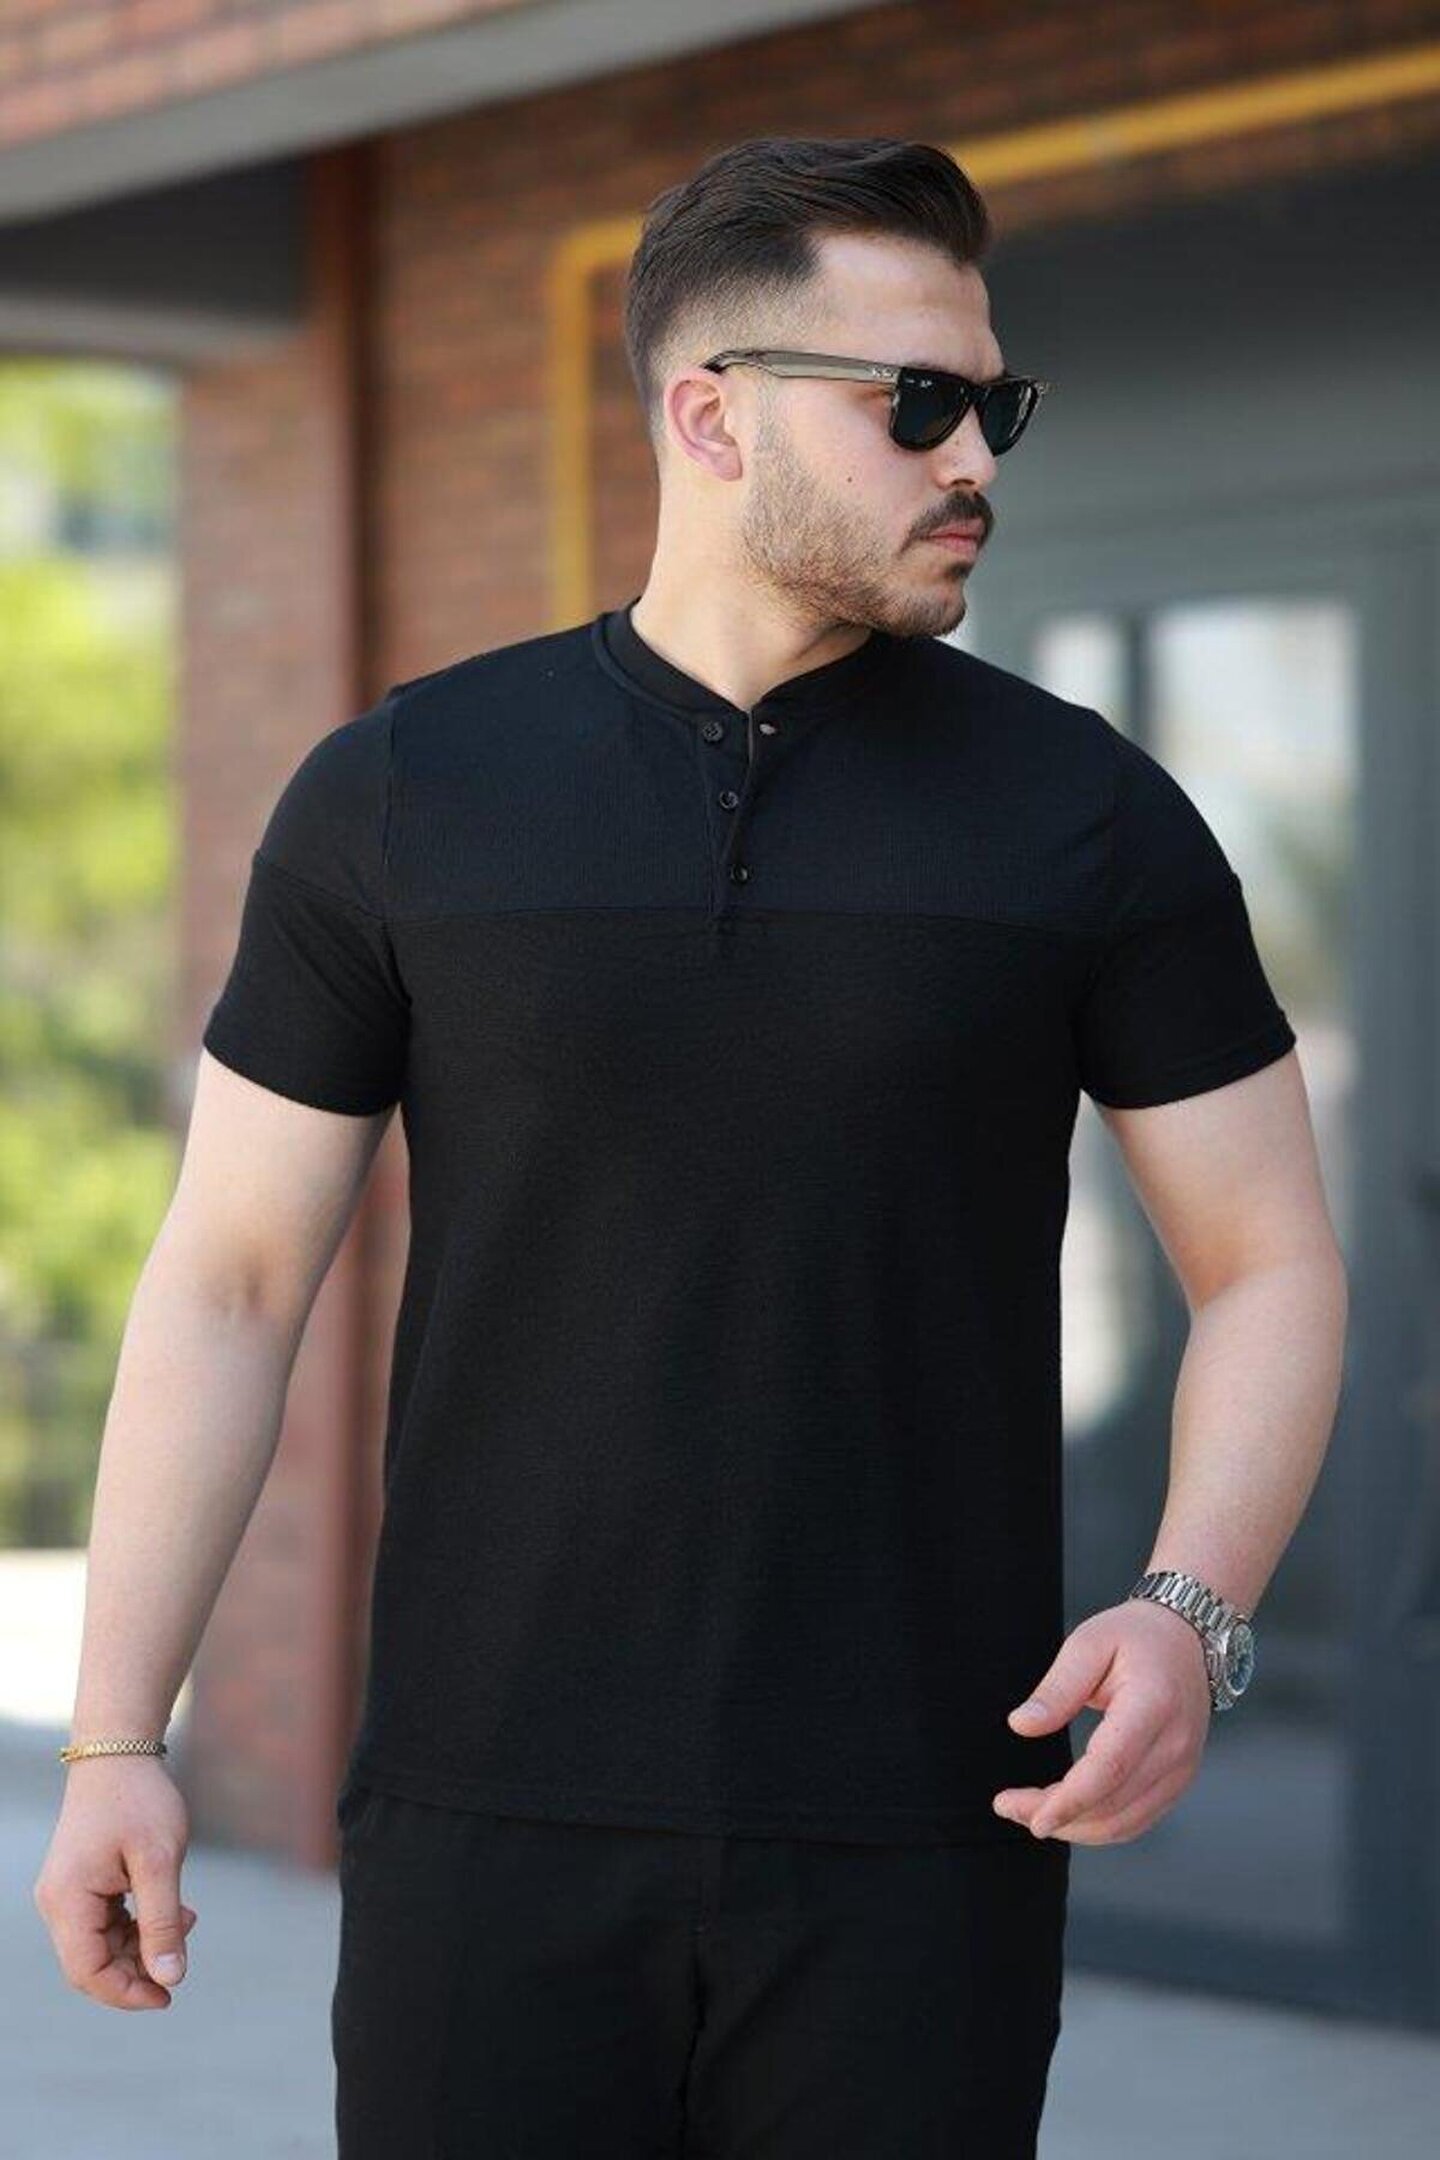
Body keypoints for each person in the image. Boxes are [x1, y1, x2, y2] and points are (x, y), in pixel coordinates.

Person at [34, 136, 1347, 2157]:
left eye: (995, 409)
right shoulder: (405, 793)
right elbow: (229, 1280)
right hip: (483, 1822)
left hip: (928, 1830)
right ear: (710, 415)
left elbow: (1267, 1259)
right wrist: (120, 1733)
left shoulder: (1086, 816)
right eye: (917, 404)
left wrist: (1195, 1608)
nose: (973, 460)